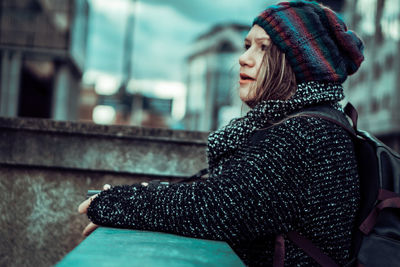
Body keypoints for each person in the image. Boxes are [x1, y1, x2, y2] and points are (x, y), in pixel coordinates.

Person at [79, 1, 364, 266]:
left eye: (263, 48)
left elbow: (220, 206)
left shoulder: (304, 133)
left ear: (300, 64)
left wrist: (116, 205)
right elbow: (221, 191)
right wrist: (139, 193)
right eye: (247, 45)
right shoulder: (311, 124)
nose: (244, 59)